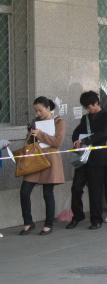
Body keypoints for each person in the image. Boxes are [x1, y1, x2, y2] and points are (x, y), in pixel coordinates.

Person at [19, 97, 65, 235]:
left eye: (40, 110)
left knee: (47, 193)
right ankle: (28, 222)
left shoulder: (58, 121)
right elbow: (30, 142)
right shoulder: (35, 121)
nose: (38, 113)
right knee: (24, 191)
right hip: (35, 158)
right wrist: (30, 135)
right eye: (36, 111)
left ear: (48, 108)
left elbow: (57, 142)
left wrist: (41, 134)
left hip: (50, 160)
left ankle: (48, 224)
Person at [68, 91, 107, 230]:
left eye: (89, 107)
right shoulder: (85, 118)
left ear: (96, 103)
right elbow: (76, 132)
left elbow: (103, 133)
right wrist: (77, 140)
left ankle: (96, 219)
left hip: (98, 157)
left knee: (95, 190)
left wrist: (86, 140)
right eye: (86, 108)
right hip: (83, 158)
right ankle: (77, 216)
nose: (88, 110)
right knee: (76, 187)